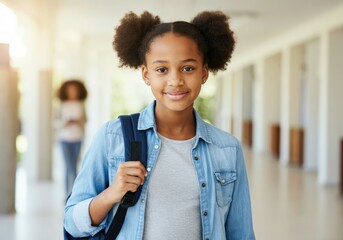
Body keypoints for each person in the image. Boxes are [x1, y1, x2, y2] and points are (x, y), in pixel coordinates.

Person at [64, 11, 255, 239]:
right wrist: (111, 194)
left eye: (188, 68)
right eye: (162, 69)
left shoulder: (227, 149)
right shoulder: (111, 137)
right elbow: (72, 224)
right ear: (146, 75)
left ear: (204, 73)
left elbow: (241, 234)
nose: (175, 80)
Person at [56, 79, 88, 197]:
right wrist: (67, 122)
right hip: (64, 139)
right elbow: (56, 123)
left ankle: (74, 194)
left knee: (74, 167)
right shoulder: (61, 106)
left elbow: (84, 121)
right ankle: (67, 195)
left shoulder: (81, 105)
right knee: (68, 167)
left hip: (77, 138)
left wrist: (79, 121)